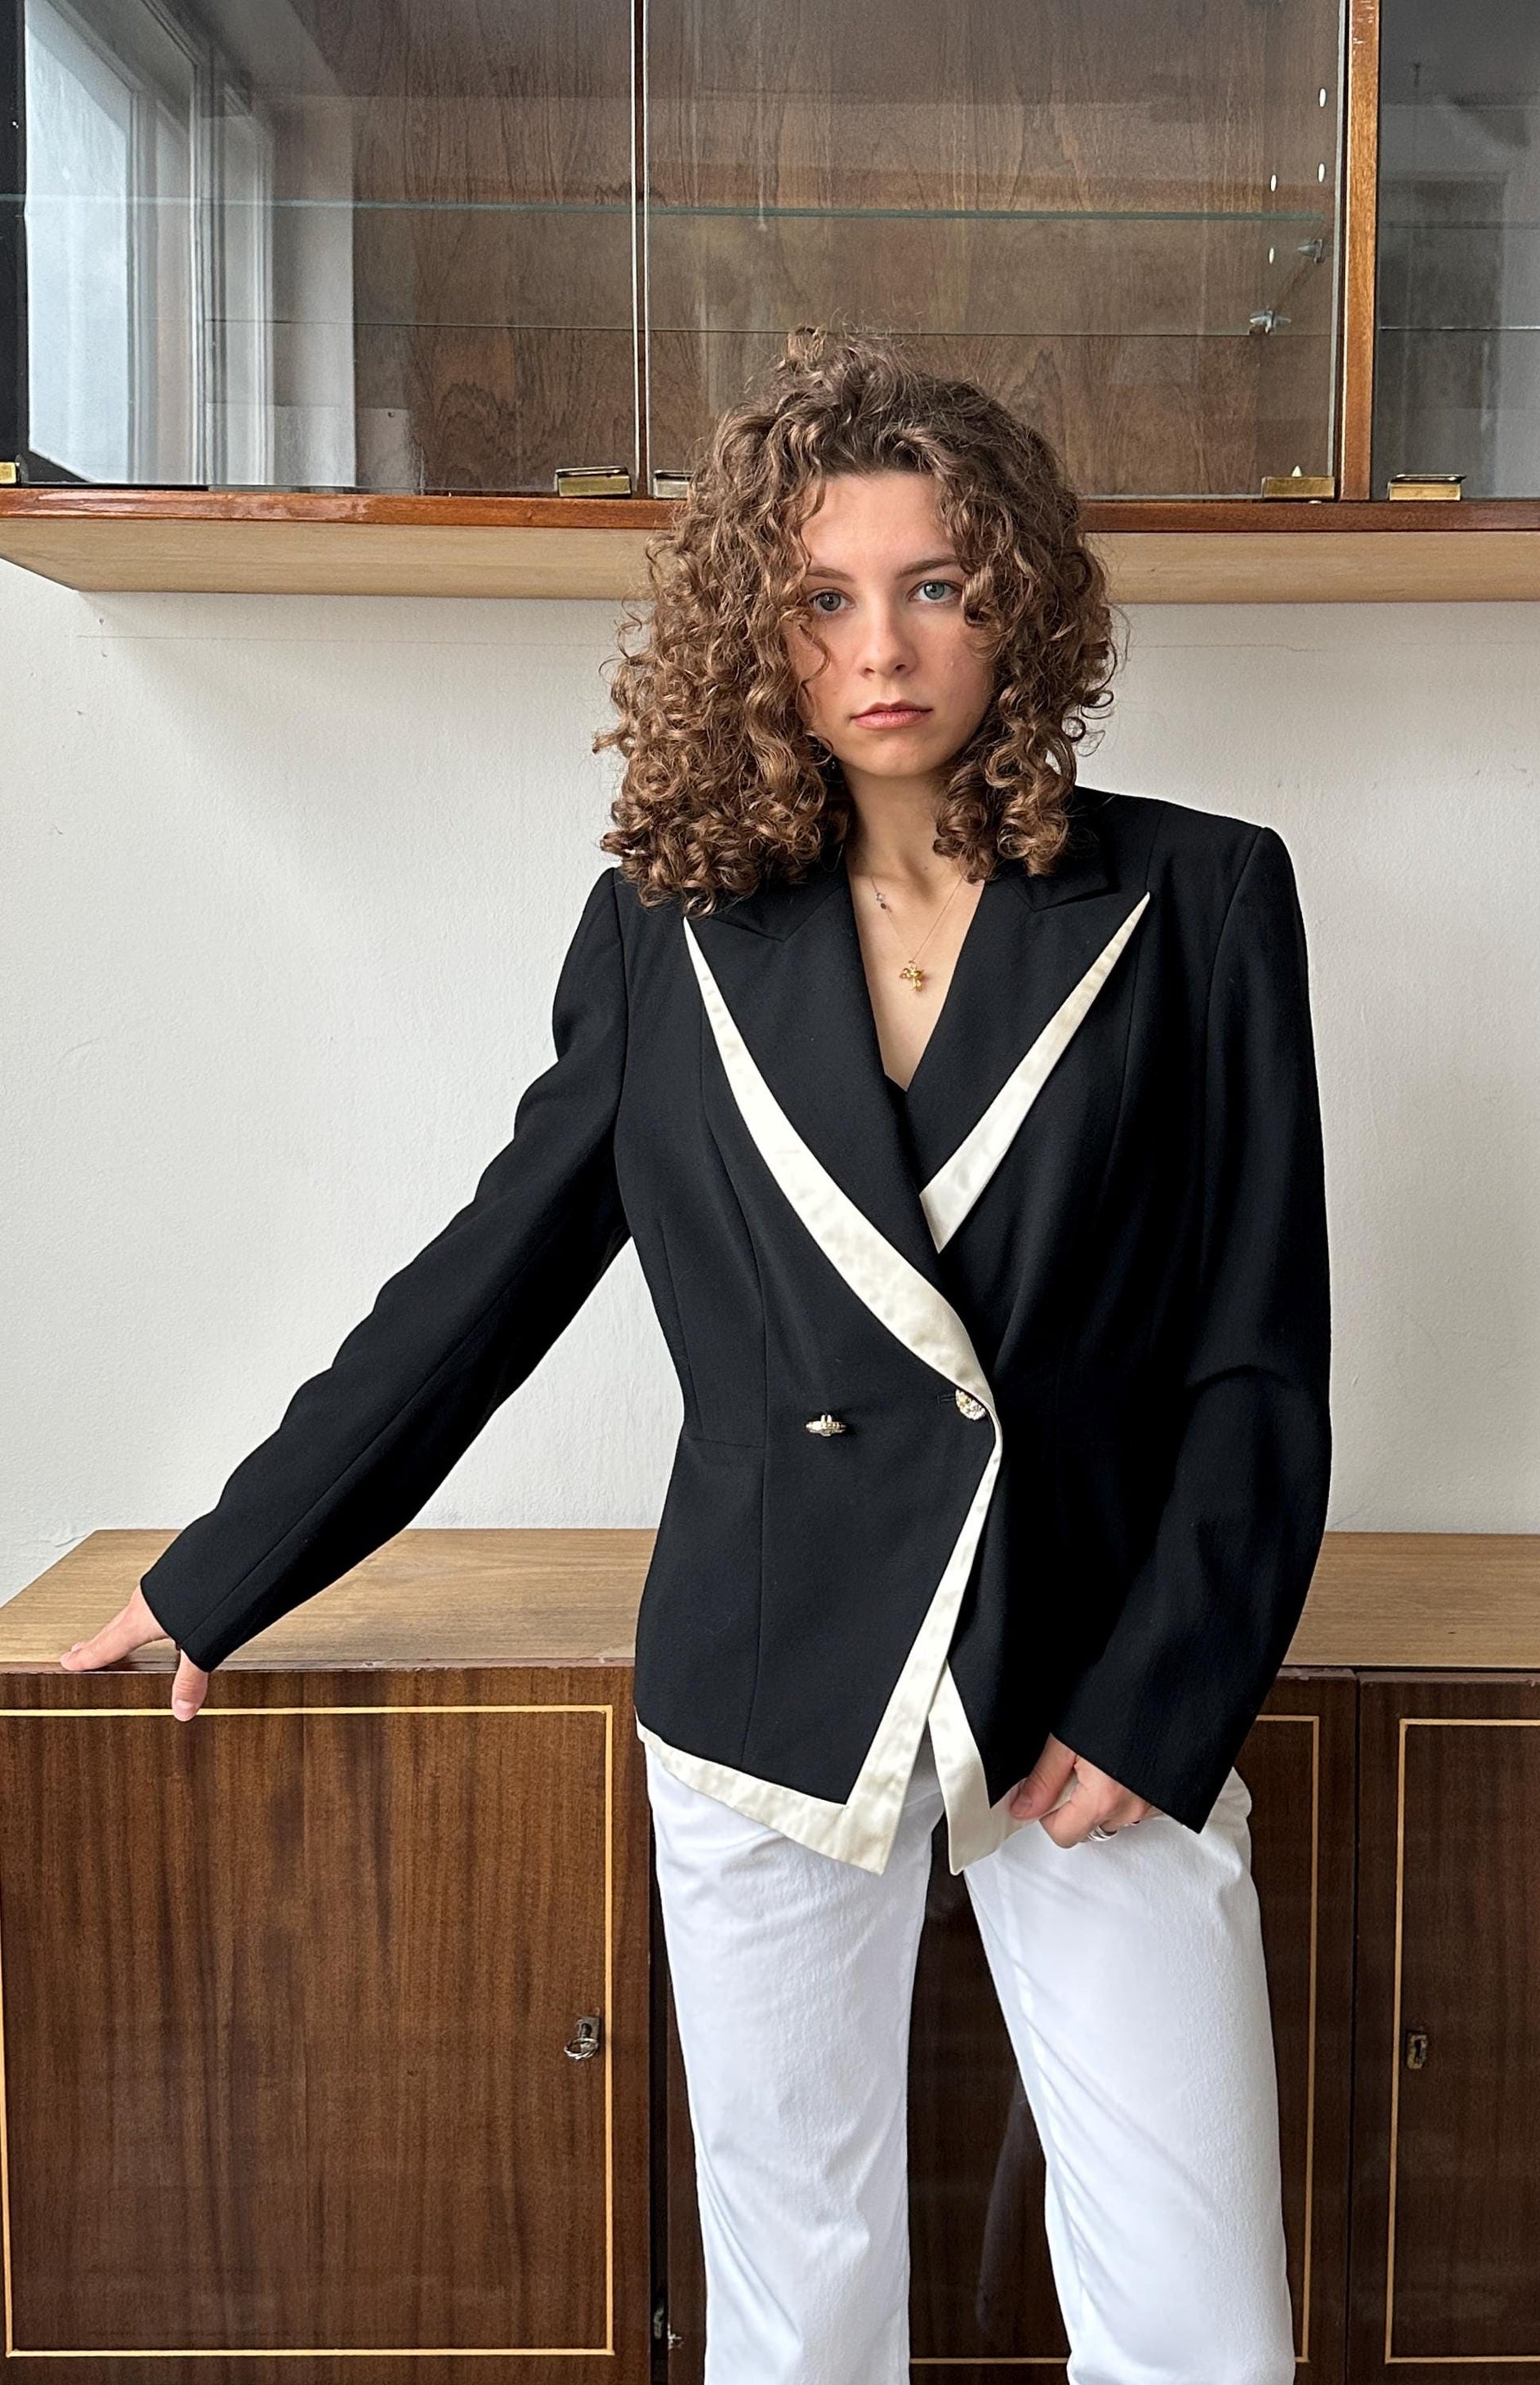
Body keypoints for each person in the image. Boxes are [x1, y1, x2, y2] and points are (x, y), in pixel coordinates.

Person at [63, 322, 1331, 2385]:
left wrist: (1166, 1688)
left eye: (936, 582)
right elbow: (489, 1279)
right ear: (758, 628)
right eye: (822, 596)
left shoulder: (1199, 897)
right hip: (764, 1670)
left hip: (1094, 1674)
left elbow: (1258, 1353)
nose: (881, 646)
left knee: (1197, 2318)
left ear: (1019, 601)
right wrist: (228, 1563)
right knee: (796, 2302)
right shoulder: (664, 925)